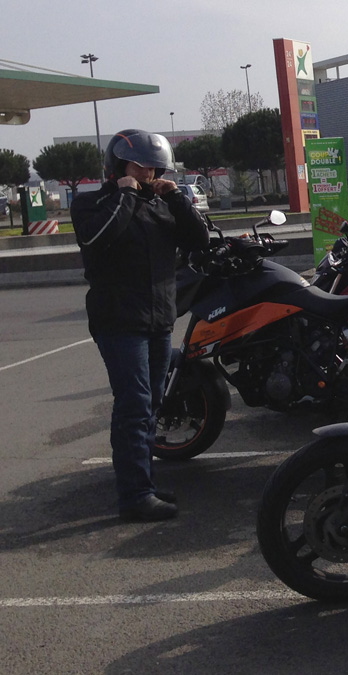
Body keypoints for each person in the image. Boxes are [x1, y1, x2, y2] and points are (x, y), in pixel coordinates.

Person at [71, 129, 209, 522]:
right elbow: (99, 237)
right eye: (139, 166)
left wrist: (178, 199)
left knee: (150, 406)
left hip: (159, 320)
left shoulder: (161, 204)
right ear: (118, 167)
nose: (147, 174)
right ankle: (134, 496)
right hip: (118, 321)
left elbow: (199, 240)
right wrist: (126, 192)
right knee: (133, 405)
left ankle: (142, 482)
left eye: (153, 168)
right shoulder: (92, 204)